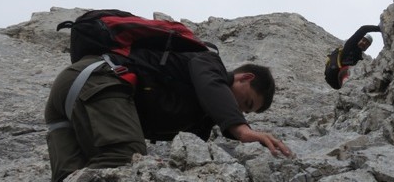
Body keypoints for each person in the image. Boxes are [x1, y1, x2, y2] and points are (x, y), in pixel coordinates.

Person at [44, 48, 292, 182]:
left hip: (67, 99)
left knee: (71, 174)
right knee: (121, 162)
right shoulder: (208, 61)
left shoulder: (201, 119)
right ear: (244, 77)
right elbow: (210, 84)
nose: (239, 109)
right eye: (246, 102)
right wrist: (241, 128)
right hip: (100, 79)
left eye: (245, 111)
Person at [324, 25, 381, 89]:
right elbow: (364, 29)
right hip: (339, 74)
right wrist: (380, 28)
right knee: (351, 70)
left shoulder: (360, 58)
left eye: (367, 43)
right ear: (359, 39)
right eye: (363, 40)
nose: (364, 43)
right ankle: (347, 87)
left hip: (338, 83)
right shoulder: (350, 45)